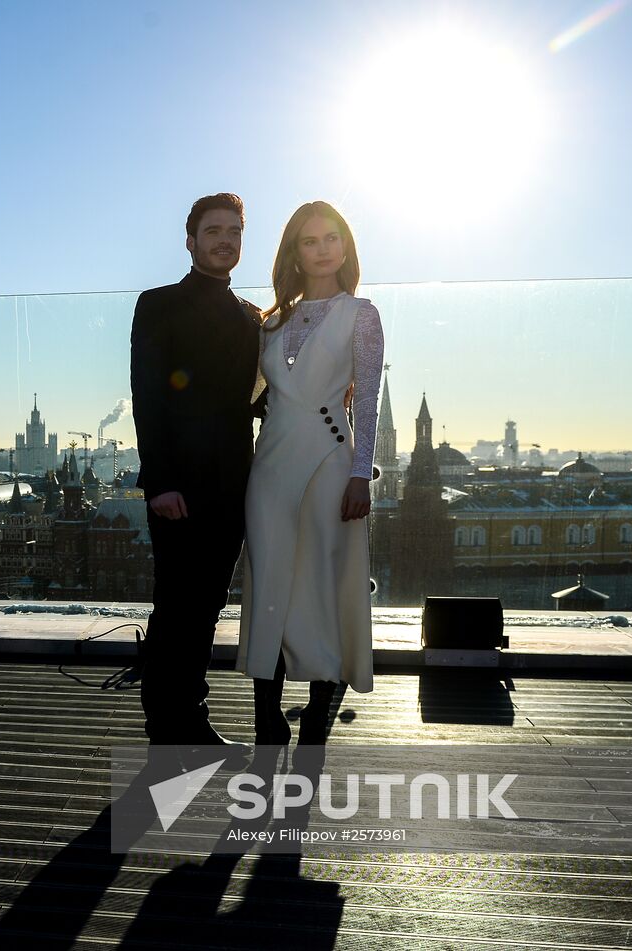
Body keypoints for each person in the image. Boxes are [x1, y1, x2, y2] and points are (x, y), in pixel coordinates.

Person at [237, 200, 383, 747]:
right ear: (294, 253)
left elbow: (366, 401)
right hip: (269, 466)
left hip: (330, 462)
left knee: (321, 581)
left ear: (346, 247)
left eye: (331, 238)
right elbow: (249, 394)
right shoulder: (271, 321)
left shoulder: (361, 314)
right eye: (309, 240)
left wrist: (360, 474)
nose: (322, 249)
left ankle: (318, 712)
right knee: (268, 578)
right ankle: (266, 715)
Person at [130, 193, 263, 747]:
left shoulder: (253, 317)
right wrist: (160, 482)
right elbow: (147, 396)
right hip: (177, 487)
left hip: (233, 485)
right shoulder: (158, 303)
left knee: (207, 607)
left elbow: (260, 400)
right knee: (174, 609)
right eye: (213, 231)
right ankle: (165, 730)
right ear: (190, 241)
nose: (224, 240)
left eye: (234, 231)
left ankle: (192, 718)